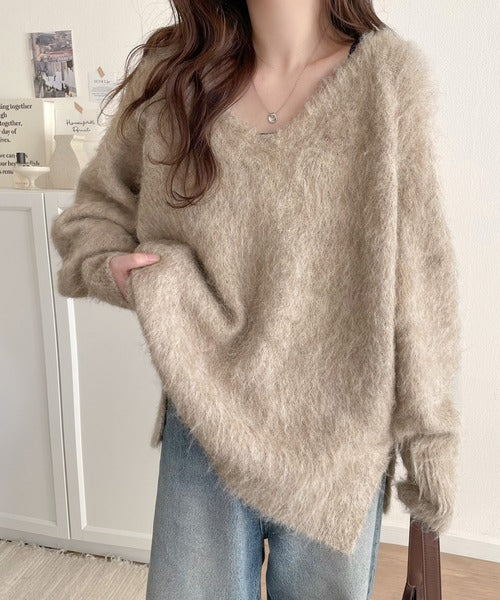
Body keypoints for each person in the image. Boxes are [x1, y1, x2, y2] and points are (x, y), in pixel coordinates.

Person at [50, 1, 462, 599]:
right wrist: (111, 267)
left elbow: (421, 277)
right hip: (204, 416)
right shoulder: (174, 76)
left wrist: (431, 437)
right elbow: (96, 212)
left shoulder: (387, 80)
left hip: (339, 440)